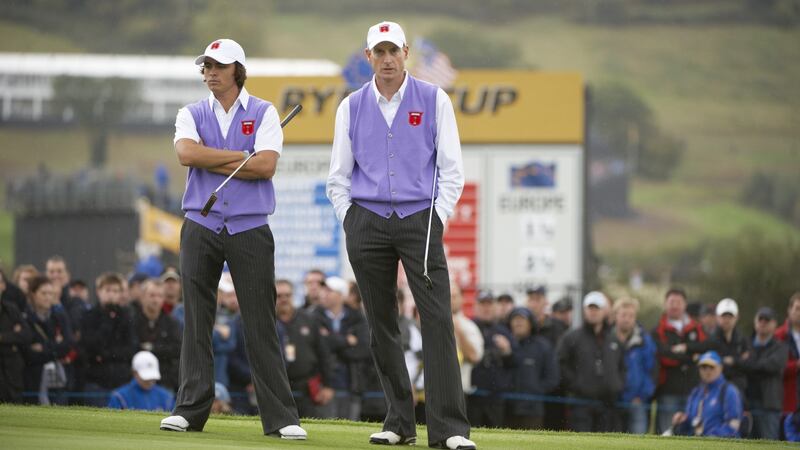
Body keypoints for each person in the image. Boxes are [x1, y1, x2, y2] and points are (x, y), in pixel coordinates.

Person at [326, 20, 473, 449]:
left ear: (406, 52)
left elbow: (451, 170)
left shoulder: (434, 99)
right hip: (366, 221)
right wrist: (350, 219)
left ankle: (448, 430)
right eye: (379, 52)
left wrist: (437, 218)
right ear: (368, 56)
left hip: (419, 222)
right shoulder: (351, 106)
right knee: (381, 323)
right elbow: (338, 176)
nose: (387, 59)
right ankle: (399, 422)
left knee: (437, 321)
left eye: (394, 51)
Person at [160, 38, 305, 440]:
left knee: (260, 322)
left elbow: (266, 166)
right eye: (206, 67)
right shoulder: (190, 113)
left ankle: (280, 418)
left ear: (237, 71)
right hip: (201, 224)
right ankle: (190, 410)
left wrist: (219, 155)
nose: (210, 73)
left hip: (249, 226)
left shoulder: (264, 112)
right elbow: (187, 155)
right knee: (196, 320)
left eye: (218, 67)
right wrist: (240, 155)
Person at [557, 291, 625, 432]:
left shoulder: (613, 339)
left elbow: (622, 366)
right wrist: (576, 385)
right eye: (590, 308)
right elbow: (561, 364)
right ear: (584, 311)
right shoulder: (571, 338)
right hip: (581, 403)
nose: (593, 312)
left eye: (597, 309)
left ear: (604, 311)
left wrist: (617, 385)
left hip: (608, 403)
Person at [274, 278, 334, 418]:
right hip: (276, 386)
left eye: (287, 295)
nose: (284, 299)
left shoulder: (308, 319)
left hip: (306, 388)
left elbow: (323, 354)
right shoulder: (267, 321)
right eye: (279, 296)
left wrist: (328, 385)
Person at [651, 287, 709, 434]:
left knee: (692, 436)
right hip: (668, 391)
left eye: (678, 302)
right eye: (671, 302)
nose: (675, 305)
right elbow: (665, 356)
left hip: (693, 390)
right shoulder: (658, 330)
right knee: (667, 434)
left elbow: (706, 349)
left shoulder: (697, 329)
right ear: (665, 304)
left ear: (685, 304)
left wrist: (685, 348)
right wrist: (691, 356)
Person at [313, 276, 371, 420]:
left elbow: (363, 350)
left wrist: (330, 340)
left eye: (329, 290)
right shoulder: (313, 316)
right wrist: (346, 340)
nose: (323, 293)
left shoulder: (358, 318)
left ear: (340, 295)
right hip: (323, 386)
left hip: (351, 385)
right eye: (324, 290)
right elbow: (318, 348)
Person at [81, 272, 138, 406]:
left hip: (121, 381)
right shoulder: (89, 316)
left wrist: (105, 355)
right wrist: (107, 323)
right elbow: (89, 346)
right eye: (107, 290)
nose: (111, 294)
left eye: (115, 291)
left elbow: (130, 348)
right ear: (98, 291)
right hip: (96, 380)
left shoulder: (126, 316)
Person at [22, 275, 75, 405]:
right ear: (33, 294)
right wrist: (56, 346)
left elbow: (68, 345)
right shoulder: (25, 318)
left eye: (50, 293)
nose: (47, 297)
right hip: (33, 378)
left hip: (59, 379)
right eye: (43, 293)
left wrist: (44, 348)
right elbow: (28, 353)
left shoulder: (60, 316)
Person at [468, 291, 515, 428]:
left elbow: (514, 361)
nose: (486, 308)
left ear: (495, 307)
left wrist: (507, 351)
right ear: (476, 307)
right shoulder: (468, 327)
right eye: (483, 304)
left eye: (489, 304)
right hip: (472, 395)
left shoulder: (503, 331)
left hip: (496, 396)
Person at [506, 307, 559, 430]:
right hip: (506, 408)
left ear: (530, 323)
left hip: (532, 410)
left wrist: (534, 391)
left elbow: (553, 378)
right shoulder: (504, 343)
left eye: (522, 319)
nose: (518, 322)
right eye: (515, 319)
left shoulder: (543, 346)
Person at [670, 351, 743, 437]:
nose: (707, 370)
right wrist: (682, 421)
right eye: (704, 367)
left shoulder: (729, 391)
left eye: (711, 367)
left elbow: (733, 426)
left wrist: (711, 437)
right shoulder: (696, 392)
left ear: (720, 368)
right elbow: (690, 423)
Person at [742, 307, 788, 440]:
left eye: (766, 320)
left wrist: (749, 364)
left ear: (774, 324)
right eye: (760, 319)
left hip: (769, 406)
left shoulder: (781, 347)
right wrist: (756, 365)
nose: (763, 322)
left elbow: (772, 366)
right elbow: (741, 366)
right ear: (755, 322)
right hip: (747, 405)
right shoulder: (745, 344)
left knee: (769, 444)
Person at [612, 297, 656, 434]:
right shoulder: (606, 338)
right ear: (616, 316)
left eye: (631, 315)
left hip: (637, 402)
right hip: (611, 403)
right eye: (623, 315)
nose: (627, 319)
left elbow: (652, 371)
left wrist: (642, 396)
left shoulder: (645, 341)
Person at [133, 279, 181, 391]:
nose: (156, 300)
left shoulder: (172, 322)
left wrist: (151, 348)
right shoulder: (133, 320)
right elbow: (132, 347)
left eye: (160, 296)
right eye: (152, 295)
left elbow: (177, 349)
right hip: (137, 380)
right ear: (143, 297)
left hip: (165, 379)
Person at [707, 298, 749, 396]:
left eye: (730, 316)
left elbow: (749, 364)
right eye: (724, 316)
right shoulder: (711, 340)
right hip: (715, 391)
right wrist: (738, 360)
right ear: (717, 317)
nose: (727, 320)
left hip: (738, 390)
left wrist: (733, 360)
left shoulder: (743, 340)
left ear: (737, 317)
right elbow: (711, 364)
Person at [108, 351, 175, 411]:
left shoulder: (167, 397)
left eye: (152, 378)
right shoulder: (120, 397)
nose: (150, 381)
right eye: (146, 378)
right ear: (134, 372)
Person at [0, 285, 32, 403]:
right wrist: (12, 336)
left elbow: (26, 334)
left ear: (3, 285)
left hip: (12, 376)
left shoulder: (11, 309)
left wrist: (3, 337)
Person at [775, 292, 800, 417]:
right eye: (797, 308)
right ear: (789, 310)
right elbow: (776, 367)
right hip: (786, 402)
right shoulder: (779, 336)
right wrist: (796, 365)